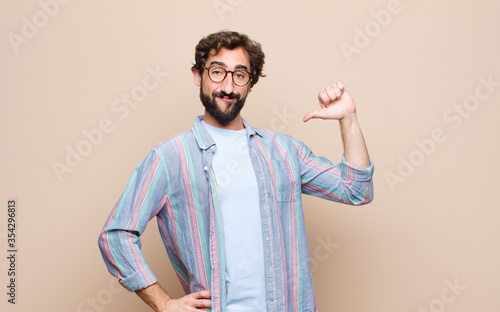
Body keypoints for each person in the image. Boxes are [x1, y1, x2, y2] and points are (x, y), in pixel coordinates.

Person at [98, 30, 374, 312]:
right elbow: (116, 236)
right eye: (217, 72)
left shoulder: (283, 152)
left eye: (240, 75)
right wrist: (164, 304)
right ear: (198, 75)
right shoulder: (171, 158)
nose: (228, 86)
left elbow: (356, 190)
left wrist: (348, 119)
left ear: (250, 83)